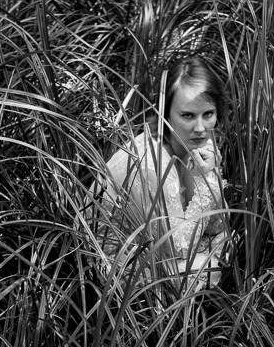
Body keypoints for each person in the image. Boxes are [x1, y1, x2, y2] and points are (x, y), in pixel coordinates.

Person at [90, 55, 228, 286]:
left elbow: (217, 226)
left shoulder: (195, 144)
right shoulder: (151, 162)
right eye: (187, 115)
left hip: (159, 250)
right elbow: (178, 248)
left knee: (225, 244)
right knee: (210, 267)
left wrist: (204, 174)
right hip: (117, 264)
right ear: (165, 114)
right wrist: (208, 180)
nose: (200, 128)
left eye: (208, 114)